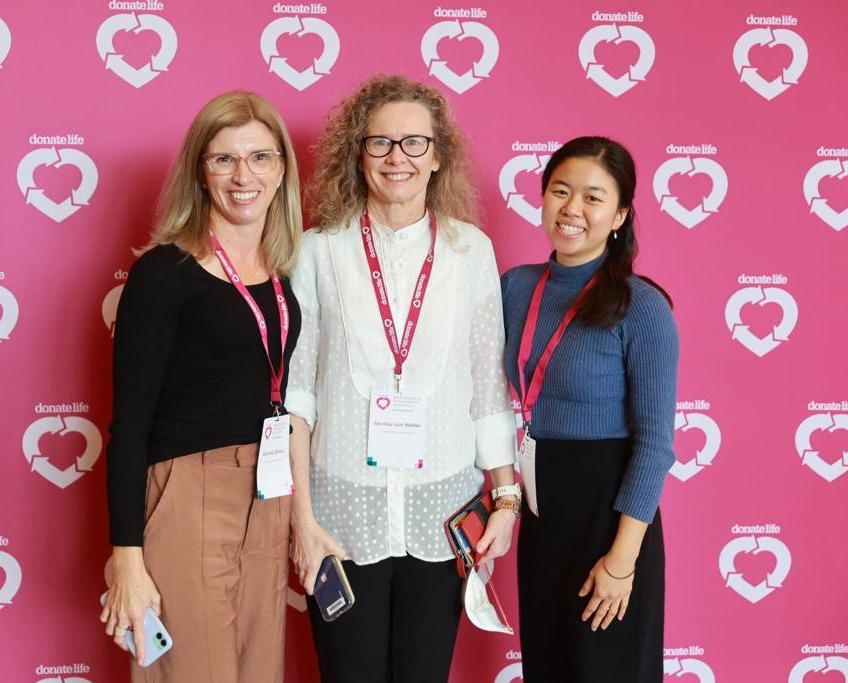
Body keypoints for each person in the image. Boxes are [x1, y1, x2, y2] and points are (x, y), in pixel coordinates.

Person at [285, 74, 519, 683]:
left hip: (439, 513)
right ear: (356, 154)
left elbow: (487, 386)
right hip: (340, 516)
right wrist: (303, 523)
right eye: (379, 143)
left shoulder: (472, 252)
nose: (397, 158)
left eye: (414, 143)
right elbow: (298, 399)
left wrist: (506, 498)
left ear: (438, 155)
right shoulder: (316, 250)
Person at [99, 91, 303, 683]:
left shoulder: (284, 271)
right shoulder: (163, 273)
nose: (245, 176)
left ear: (282, 166)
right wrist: (128, 562)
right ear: (199, 170)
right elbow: (130, 424)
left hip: (268, 496)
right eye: (224, 159)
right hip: (190, 494)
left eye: (260, 158)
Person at [501, 136, 678, 681]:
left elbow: (654, 447)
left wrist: (622, 563)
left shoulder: (642, 306)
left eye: (593, 197)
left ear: (620, 213)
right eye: (560, 191)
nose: (572, 209)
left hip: (610, 517)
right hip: (541, 510)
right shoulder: (515, 287)